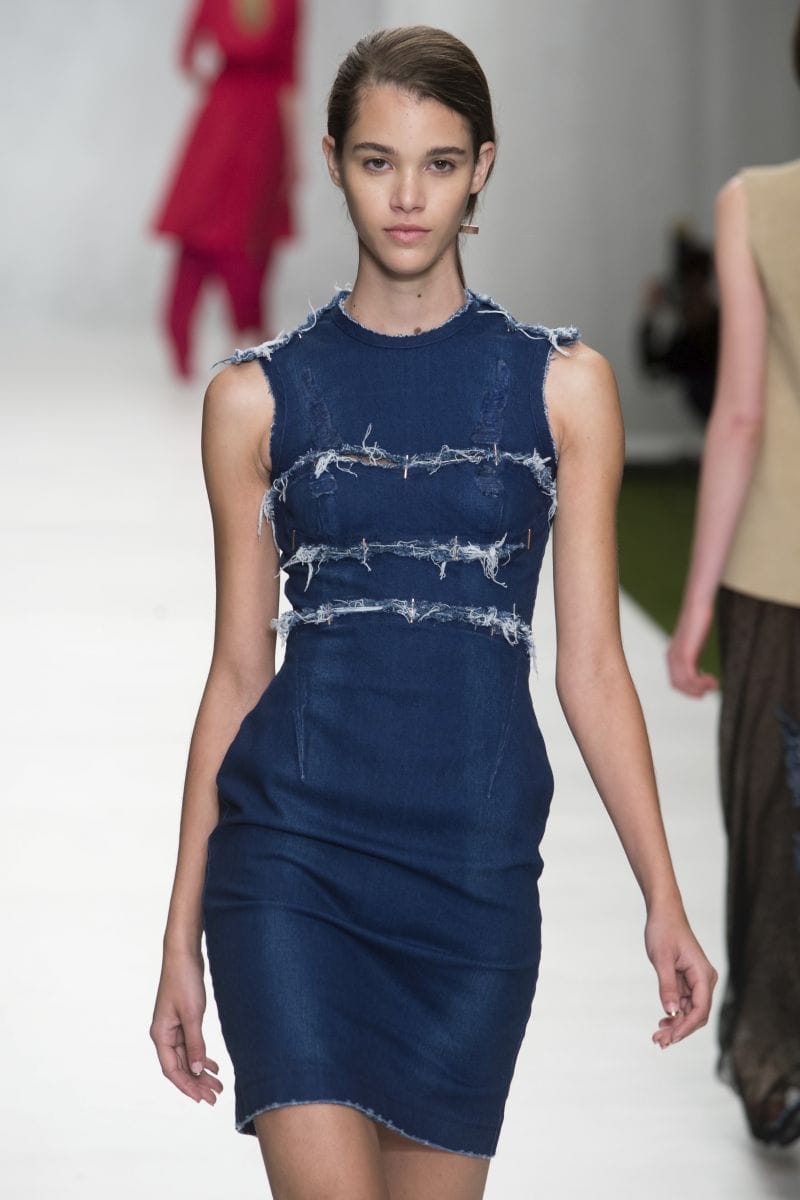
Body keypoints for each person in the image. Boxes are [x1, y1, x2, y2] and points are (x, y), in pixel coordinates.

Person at [150, 25, 717, 1199]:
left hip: (471, 874)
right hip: (289, 863)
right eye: (376, 161)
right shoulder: (255, 401)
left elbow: (591, 669)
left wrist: (662, 898)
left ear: (481, 168)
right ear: (331, 161)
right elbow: (238, 677)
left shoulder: (563, 390)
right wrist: (179, 937)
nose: (407, 197)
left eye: (439, 163)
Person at [667, 8, 800, 1150]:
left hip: (774, 565)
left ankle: (772, 1064)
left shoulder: (753, 203)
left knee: (769, 813)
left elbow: (741, 412)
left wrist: (696, 602)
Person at [152, 0, 300, 378]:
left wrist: (221, 85)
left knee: (213, 222)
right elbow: (289, 74)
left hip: (226, 112)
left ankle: (198, 334)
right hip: (261, 115)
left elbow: (188, 57)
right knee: (244, 226)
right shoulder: (287, 4)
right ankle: (246, 331)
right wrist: (294, 149)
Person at [637, 224, 720, 427]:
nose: (692, 300)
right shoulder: (685, 345)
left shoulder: (724, 330)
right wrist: (650, 316)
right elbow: (653, 369)